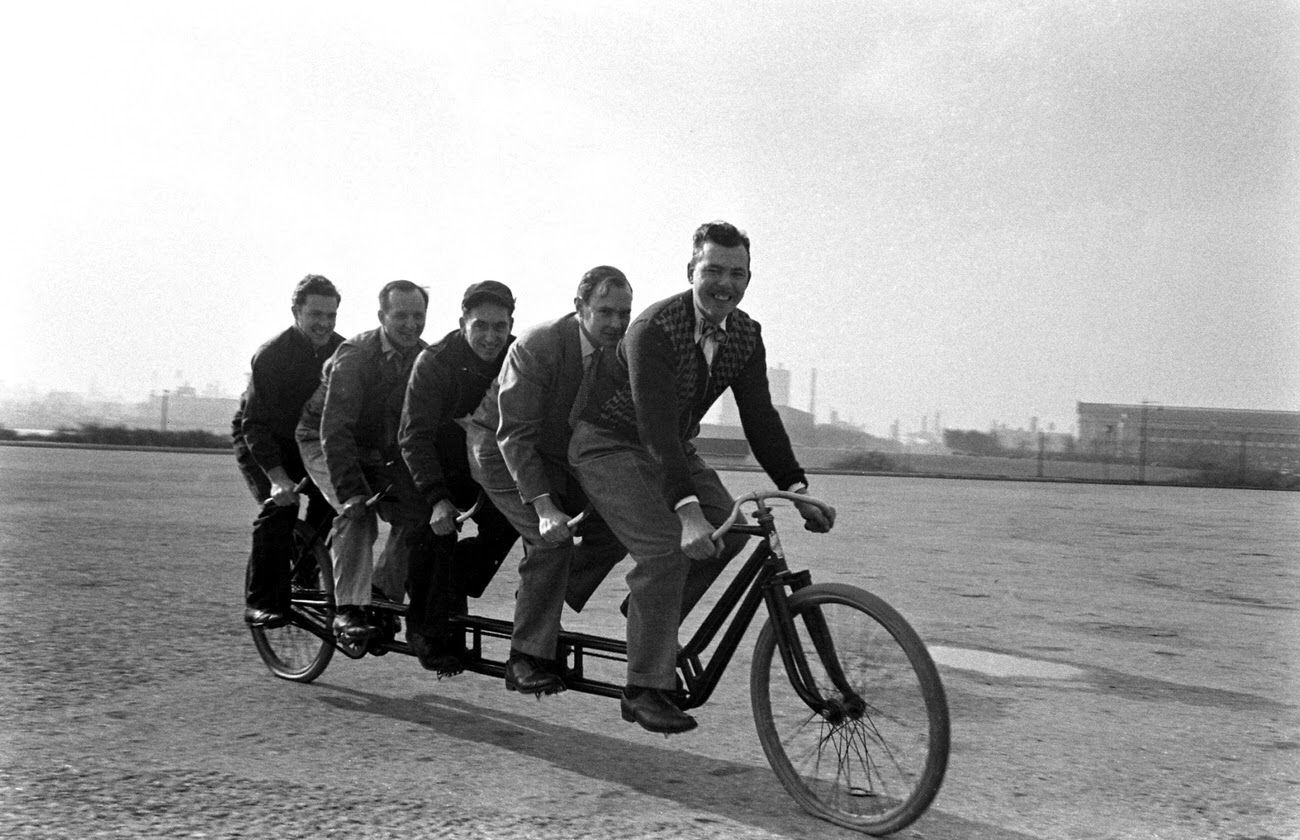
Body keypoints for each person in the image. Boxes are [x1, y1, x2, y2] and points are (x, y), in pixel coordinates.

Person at [570, 221, 835, 734]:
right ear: (690, 271)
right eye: (712, 270)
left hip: (671, 443)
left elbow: (759, 416)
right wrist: (686, 512)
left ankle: (649, 613)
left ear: (749, 279)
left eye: (737, 274)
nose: (724, 284)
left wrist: (798, 491)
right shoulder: (653, 329)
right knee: (668, 550)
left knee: (728, 529)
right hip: (608, 441)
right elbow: (652, 426)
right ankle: (644, 688)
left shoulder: (744, 335)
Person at [464, 266, 631, 696]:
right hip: (499, 450)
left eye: (624, 313)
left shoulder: (621, 353)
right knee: (551, 541)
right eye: (605, 311)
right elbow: (512, 435)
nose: (615, 323)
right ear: (579, 307)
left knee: (616, 529)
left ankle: (540, 597)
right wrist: (543, 509)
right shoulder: (539, 344)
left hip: (557, 454)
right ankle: (524, 659)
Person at [398, 281, 522, 674]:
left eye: (499, 327)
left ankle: (446, 584)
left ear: (511, 325)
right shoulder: (434, 362)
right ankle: (424, 634)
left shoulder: (519, 356)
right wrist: (436, 498)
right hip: (427, 464)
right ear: (461, 323)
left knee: (510, 522)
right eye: (480, 326)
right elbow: (413, 437)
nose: (490, 337)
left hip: (482, 468)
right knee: (435, 532)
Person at [296, 280, 430, 641]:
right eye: (400, 315)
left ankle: (381, 594)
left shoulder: (424, 357)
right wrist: (352, 491)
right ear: (381, 316)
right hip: (322, 439)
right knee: (357, 514)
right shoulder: (356, 354)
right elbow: (334, 429)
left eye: (418, 316)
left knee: (418, 513)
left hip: (376, 449)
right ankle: (348, 610)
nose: (410, 324)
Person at [232, 275, 344, 628]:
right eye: (315, 314)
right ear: (296, 311)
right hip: (263, 438)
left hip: (307, 441)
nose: (324, 323)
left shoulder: (343, 351)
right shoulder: (272, 355)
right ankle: (261, 602)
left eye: (331, 315)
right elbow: (255, 424)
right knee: (281, 506)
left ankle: (306, 568)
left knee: (332, 498)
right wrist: (278, 479)